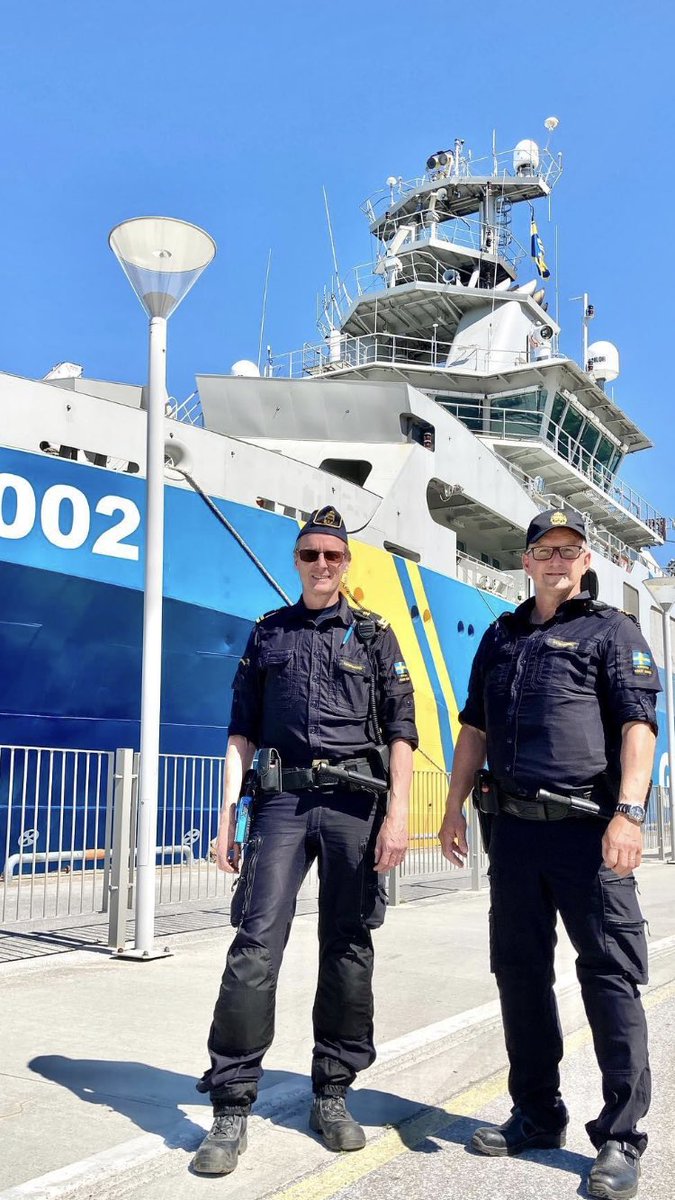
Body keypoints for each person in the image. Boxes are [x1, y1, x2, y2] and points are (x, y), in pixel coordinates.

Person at [439, 507, 660, 1200]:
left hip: (586, 833)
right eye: (545, 550)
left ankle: (620, 1136)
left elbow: (639, 726)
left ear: (585, 561)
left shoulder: (613, 632)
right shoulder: (500, 636)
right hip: (512, 834)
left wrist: (629, 814)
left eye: (570, 550)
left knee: (608, 976)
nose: (557, 560)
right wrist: (451, 806)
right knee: (519, 973)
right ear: (527, 561)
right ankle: (537, 1112)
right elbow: (474, 727)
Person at [193, 506, 418, 1176]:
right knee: (254, 945)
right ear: (296, 561)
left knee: (348, 947)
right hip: (282, 803)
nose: (322, 564)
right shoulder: (269, 633)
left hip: (354, 805)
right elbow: (241, 730)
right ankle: (231, 1104)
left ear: (346, 563)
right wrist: (227, 816)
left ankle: (333, 1094)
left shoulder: (374, 636)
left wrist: (399, 816)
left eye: (333, 555)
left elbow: (401, 734)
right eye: (310, 554)